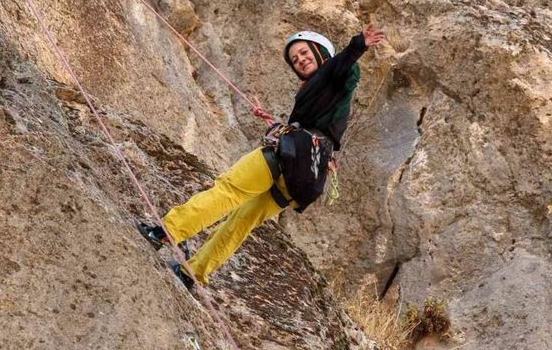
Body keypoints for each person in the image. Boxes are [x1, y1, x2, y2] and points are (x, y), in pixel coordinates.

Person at [137, 23, 386, 288]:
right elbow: (309, 127)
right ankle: (193, 274)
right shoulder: (325, 91)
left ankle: (165, 233)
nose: (300, 60)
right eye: (295, 60)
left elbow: (343, 67)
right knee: (241, 222)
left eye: (304, 53)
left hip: (283, 159)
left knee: (228, 191)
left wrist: (358, 45)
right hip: (302, 180)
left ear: (321, 52)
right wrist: (273, 122)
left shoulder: (338, 74)